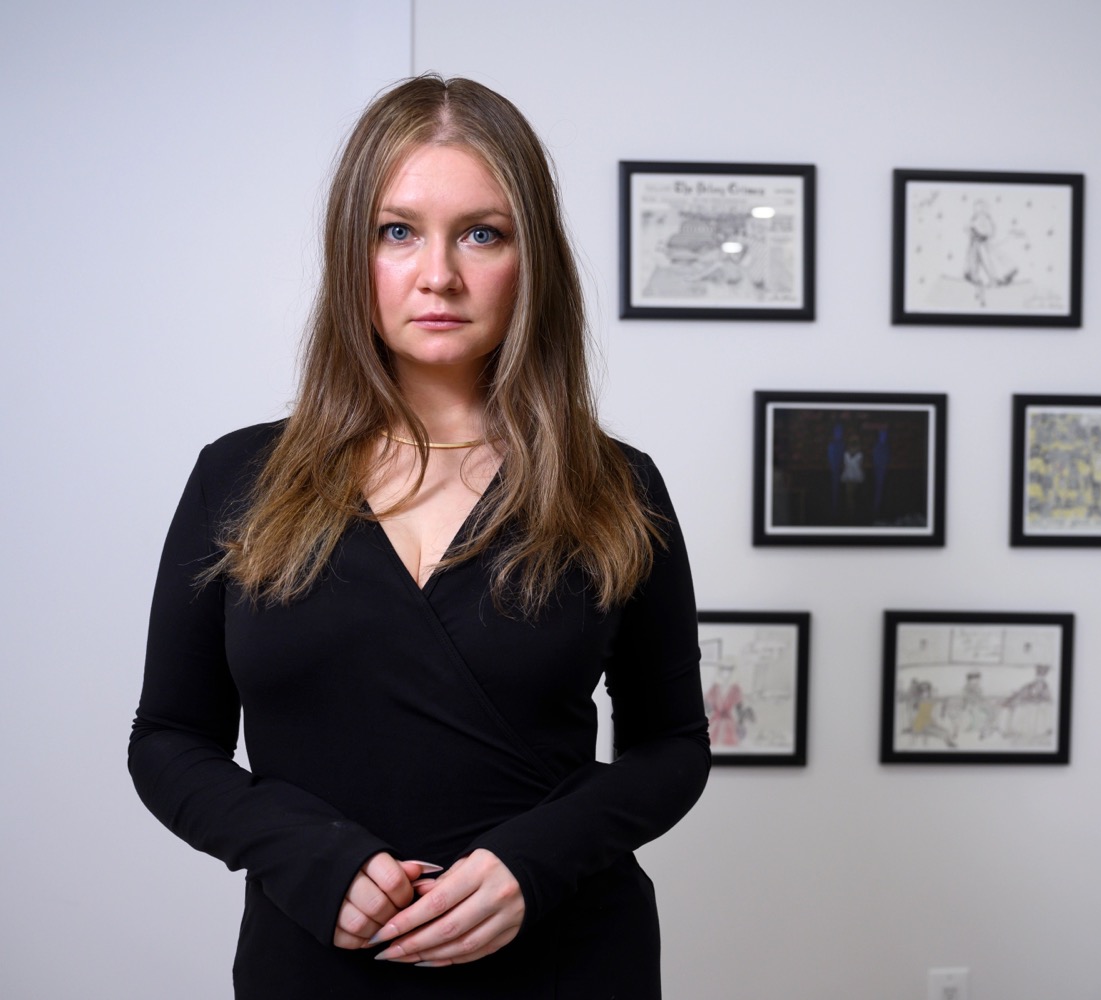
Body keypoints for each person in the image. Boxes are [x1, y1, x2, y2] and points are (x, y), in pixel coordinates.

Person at [128, 75, 710, 999]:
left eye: (482, 232)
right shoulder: (238, 477)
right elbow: (166, 740)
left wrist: (536, 863)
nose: (438, 273)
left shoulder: (619, 486)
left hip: (566, 958)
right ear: (352, 255)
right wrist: (301, 854)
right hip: (317, 962)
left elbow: (672, 746)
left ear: (532, 259)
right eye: (397, 231)